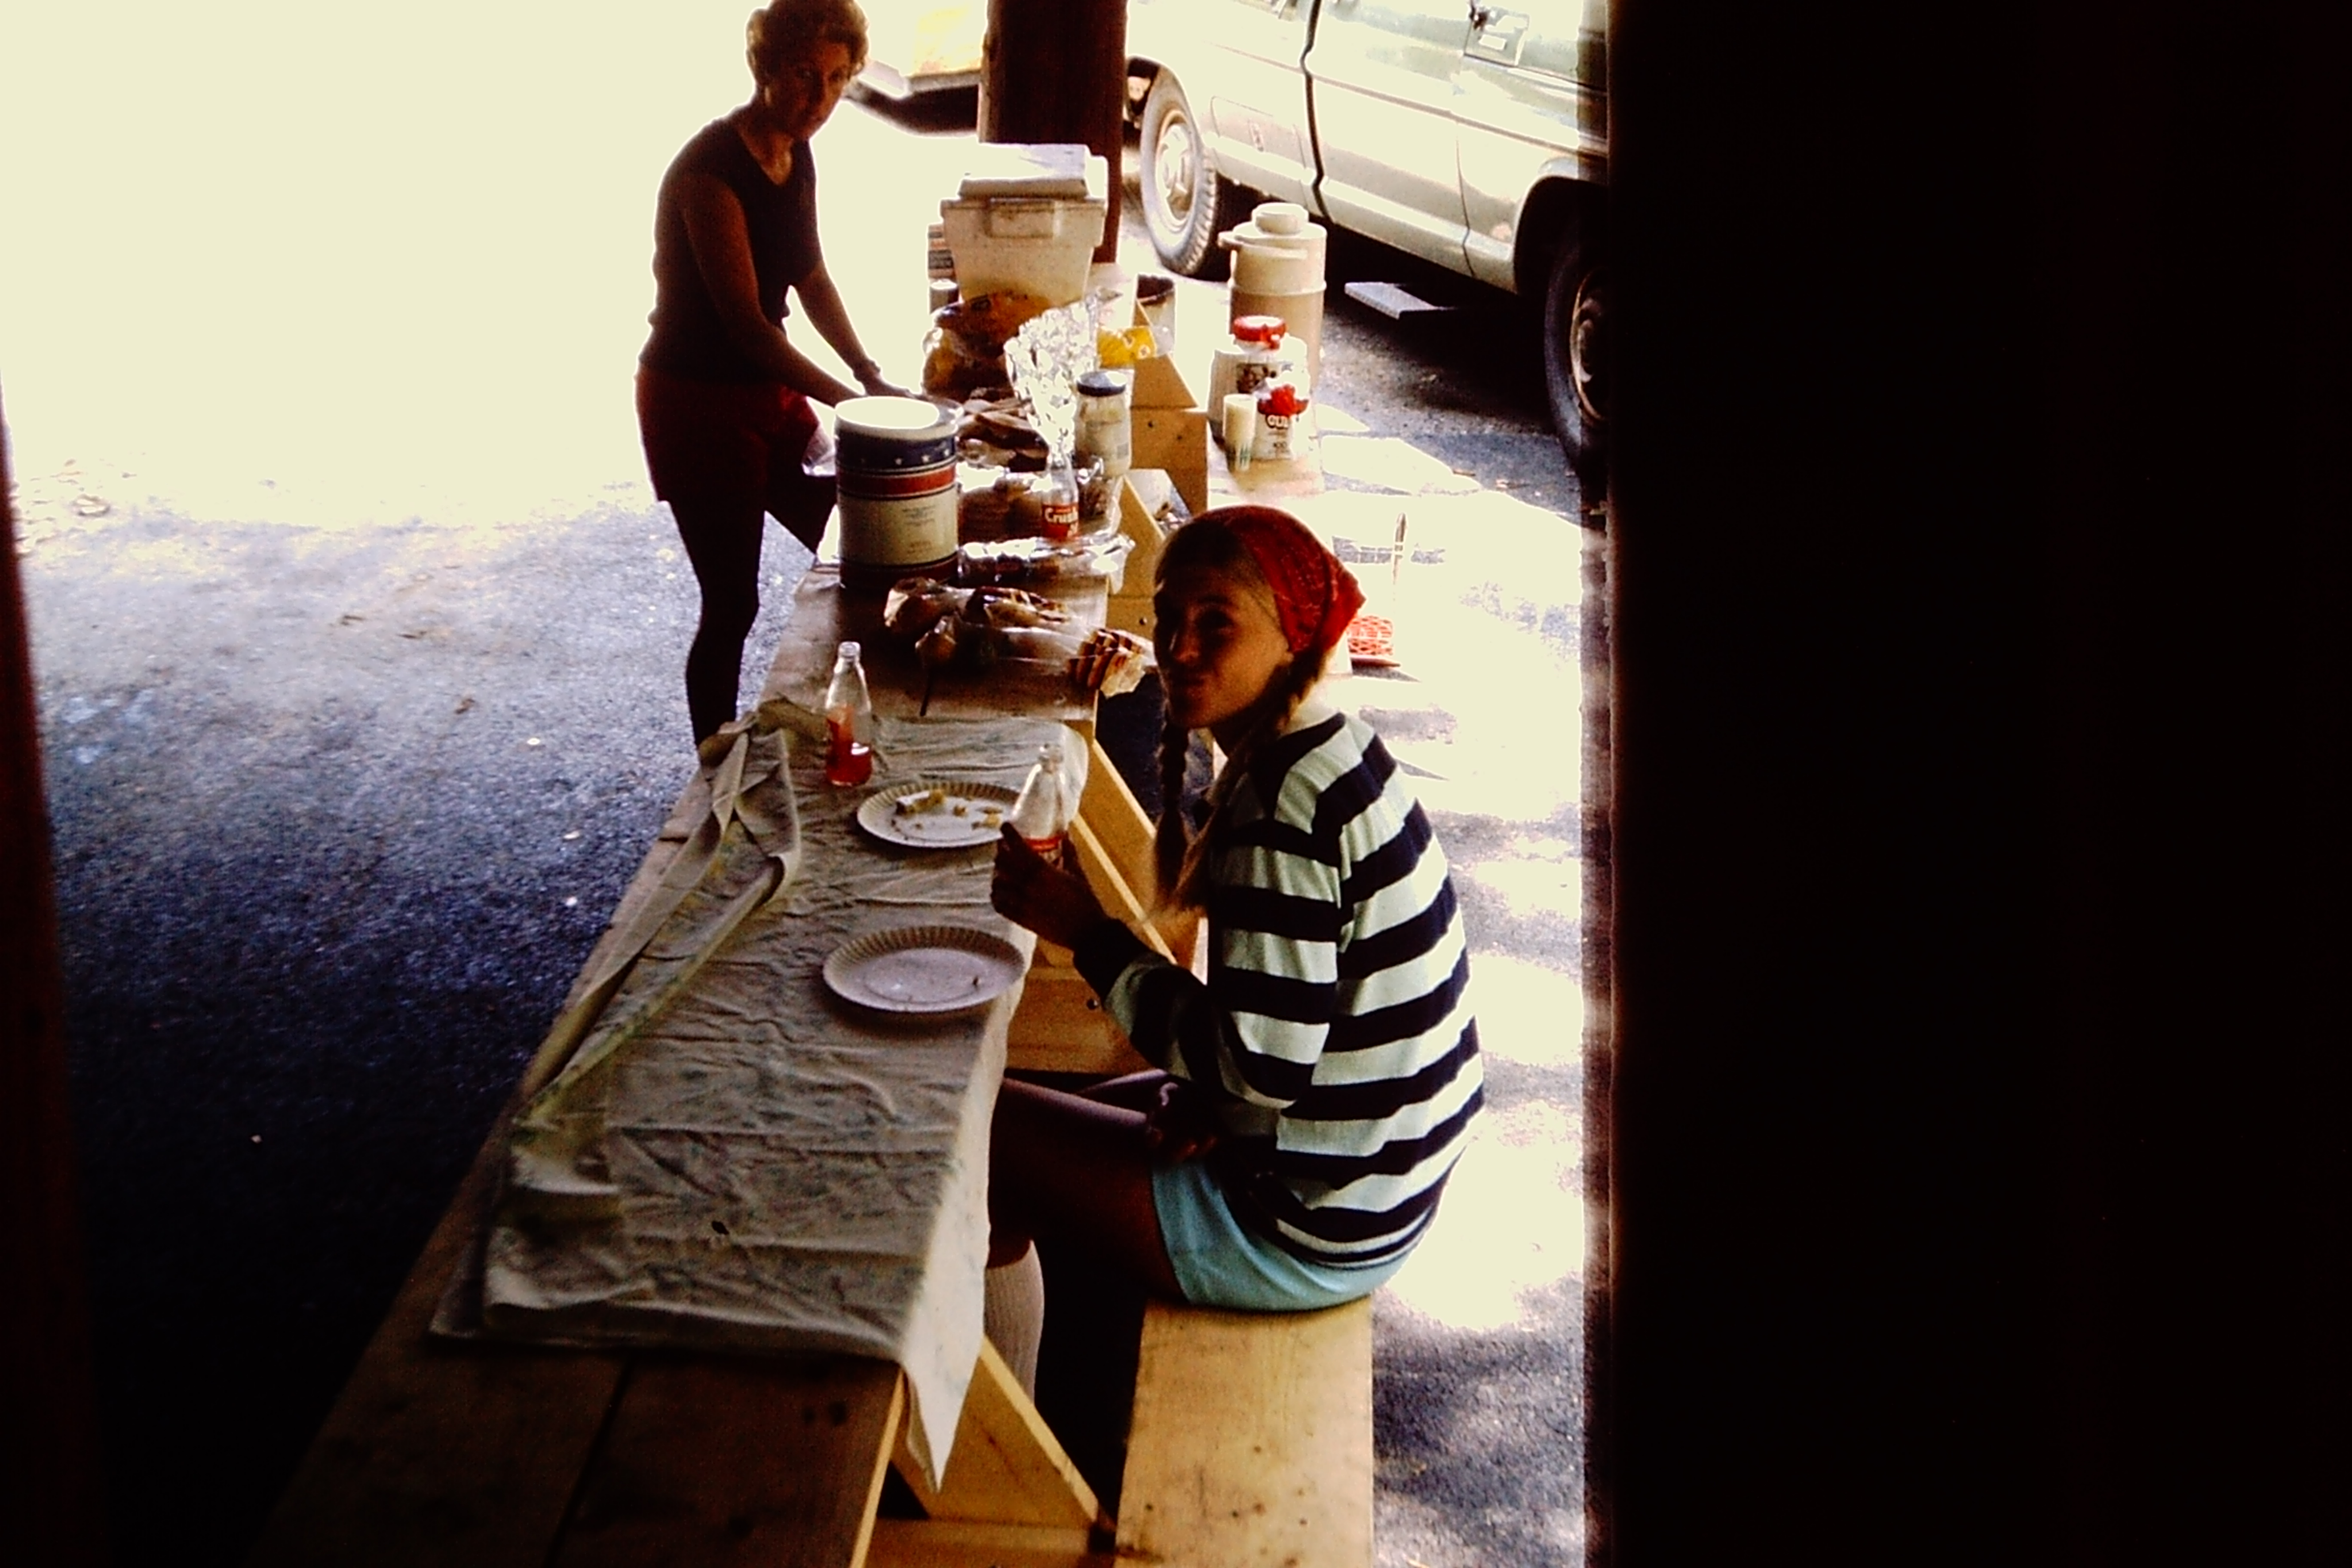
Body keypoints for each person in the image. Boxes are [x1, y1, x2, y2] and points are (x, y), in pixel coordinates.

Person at [987, 506, 1485, 1312]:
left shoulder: (1278, 812)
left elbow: (1261, 1066)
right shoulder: (1335, 739)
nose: (1178, 649)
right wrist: (1215, 1093)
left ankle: (992, 1426)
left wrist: (1084, 931)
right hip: (1380, 1167)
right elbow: (1275, 1042)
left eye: (1216, 626)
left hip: (1314, 1221)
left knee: (974, 1141)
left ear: (1292, 638)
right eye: (1168, 620)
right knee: (1025, 1113)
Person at [637, 0, 906, 744]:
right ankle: (714, 762)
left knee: (858, 539)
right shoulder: (709, 172)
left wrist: (870, 372)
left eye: (836, 80)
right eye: (801, 76)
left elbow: (811, 276)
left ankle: (872, 719)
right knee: (731, 604)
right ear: (762, 67)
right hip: (694, 400)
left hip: (765, 391)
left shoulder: (797, 151)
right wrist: (853, 403)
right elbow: (749, 327)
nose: (818, 99)